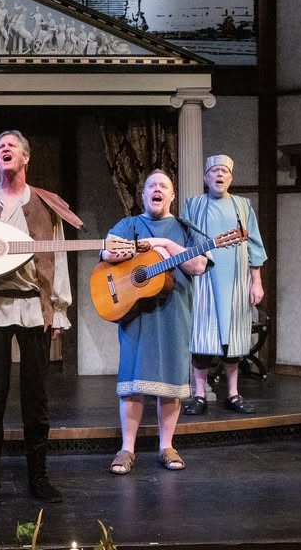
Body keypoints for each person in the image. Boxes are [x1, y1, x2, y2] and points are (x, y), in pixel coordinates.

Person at [0, 130, 83, 505]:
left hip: (33, 308)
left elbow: (58, 260)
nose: (5, 149)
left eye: (13, 146)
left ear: (26, 158)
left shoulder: (46, 204)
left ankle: (38, 477)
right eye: (0, 147)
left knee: (36, 399)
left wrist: (58, 310)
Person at [101, 169, 210, 475]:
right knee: (132, 382)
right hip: (137, 313)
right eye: (151, 185)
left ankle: (167, 445)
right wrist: (138, 250)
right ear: (144, 194)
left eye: (163, 185)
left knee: (171, 382)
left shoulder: (185, 228)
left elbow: (199, 265)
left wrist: (165, 244)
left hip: (174, 312)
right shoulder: (130, 224)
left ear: (172, 195)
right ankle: (127, 448)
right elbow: (105, 251)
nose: (157, 189)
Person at [182, 155, 267, 415]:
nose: (219, 175)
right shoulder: (193, 205)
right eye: (214, 171)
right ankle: (199, 395)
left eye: (224, 171)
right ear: (206, 177)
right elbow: (182, 242)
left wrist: (256, 282)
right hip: (203, 280)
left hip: (236, 281)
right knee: (201, 339)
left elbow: (254, 245)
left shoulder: (243, 205)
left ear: (231, 177)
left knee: (234, 341)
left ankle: (233, 394)